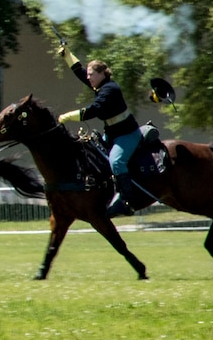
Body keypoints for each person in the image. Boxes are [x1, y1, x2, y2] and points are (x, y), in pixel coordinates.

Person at [55, 48, 154, 216]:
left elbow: (95, 109)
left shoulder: (110, 89)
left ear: (102, 74)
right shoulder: (100, 86)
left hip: (127, 135)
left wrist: (66, 116)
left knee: (116, 162)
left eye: (91, 74)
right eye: (88, 75)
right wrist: (67, 55)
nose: (88, 78)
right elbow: (80, 72)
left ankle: (126, 201)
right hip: (113, 135)